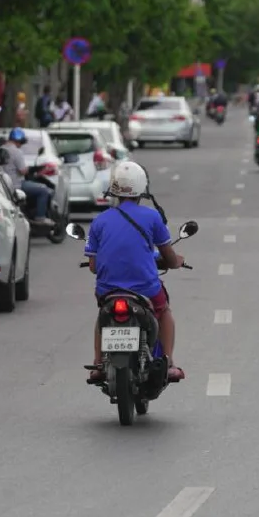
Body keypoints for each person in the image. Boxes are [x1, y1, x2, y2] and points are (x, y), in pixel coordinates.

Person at [81, 161, 185, 384]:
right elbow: (168, 256)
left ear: (114, 189)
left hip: (107, 291)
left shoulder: (99, 221)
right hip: (145, 289)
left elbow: (93, 267)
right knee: (164, 310)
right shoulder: (152, 217)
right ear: (142, 189)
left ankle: (98, 364)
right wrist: (176, 262)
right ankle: (168, 363)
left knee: (103, 317)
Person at [1, 127, 54, 229]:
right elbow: (23, 171)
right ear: (19, 140)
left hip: (4, 185)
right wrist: (34, 169)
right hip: (17, 184)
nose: (21, 145)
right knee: (43, 190)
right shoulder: (16, 151)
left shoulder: (0, 149)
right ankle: (40, 217)